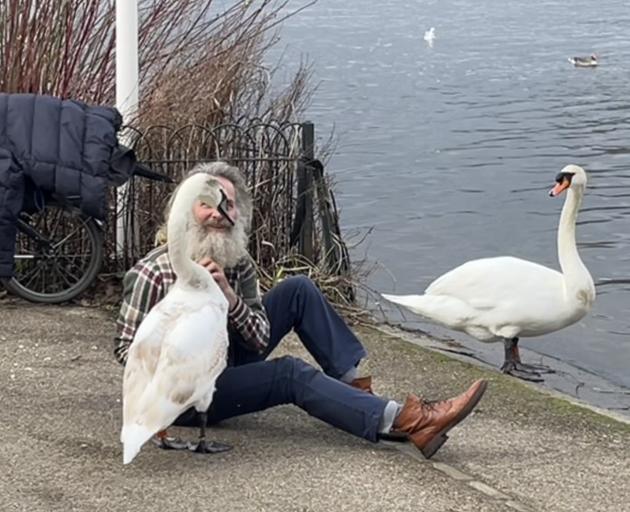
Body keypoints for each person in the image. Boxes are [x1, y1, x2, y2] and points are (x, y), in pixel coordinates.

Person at [114, 161, 487, 459]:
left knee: (298, 289)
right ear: (186, 210)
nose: (217, 214)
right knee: (288, 375)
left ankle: (351, 391)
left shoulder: (236, 264)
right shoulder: (155, 271)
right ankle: (406, 421)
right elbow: (125, 351)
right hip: (187, 398)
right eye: (206, 204)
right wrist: (176, 346)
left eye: (227, 205)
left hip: (225, 358)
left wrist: (228, 296)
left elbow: (258, 337)